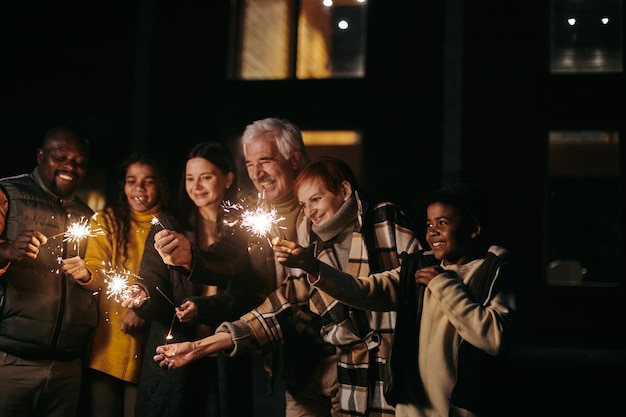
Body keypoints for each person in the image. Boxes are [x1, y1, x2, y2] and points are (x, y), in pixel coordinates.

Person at [153, 155, 423, 417]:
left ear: (344, 190)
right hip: (352, 378)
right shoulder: (313, 245)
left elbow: (410, 289)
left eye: (316, 199)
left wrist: (312, 267)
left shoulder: (384, 220)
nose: (311, 212)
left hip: (400, 373)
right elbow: (279, 308)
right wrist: (198, 347)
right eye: (304, 205)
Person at [271, 183, 517, 417]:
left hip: (459, 410)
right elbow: (363, 290)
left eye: (443, 222)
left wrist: (442, 284)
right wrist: (311, 265)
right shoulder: (419, 268)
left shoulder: (492, 270)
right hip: (412, 408)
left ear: (474, 228)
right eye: (429, 224)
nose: (433, 231)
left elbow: (494, 337)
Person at [120, 141, 265, 417]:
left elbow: (248, 295)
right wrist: (141, 296)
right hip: (173, 358)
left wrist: (202, 309)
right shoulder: (168, 224)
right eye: (190, 178)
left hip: (225, 358)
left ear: (228, 178)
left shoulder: (242, 230)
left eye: (206, 177)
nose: (196, 186)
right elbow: (153, 283)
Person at [62, 152, 171, 417]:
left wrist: (143, 309)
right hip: (109, 345)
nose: (139, 188)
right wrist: (86, 274)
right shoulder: (106, 221)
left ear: (160, 185)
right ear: (122, 184)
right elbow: (98, 270)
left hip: (152, 350)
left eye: (148, 181)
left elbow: (172, 283)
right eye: (131, 180)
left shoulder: (170, 226)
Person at [0, 126, 98, 417]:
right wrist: (7, 250)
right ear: (41, 155)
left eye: (79, 162)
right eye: (60, 156)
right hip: (11, 361)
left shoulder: (87, 216)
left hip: (68, 367)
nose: (70, 166)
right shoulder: (8, 193)